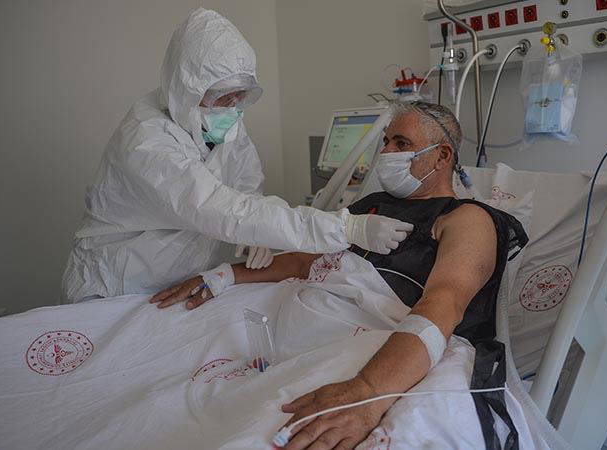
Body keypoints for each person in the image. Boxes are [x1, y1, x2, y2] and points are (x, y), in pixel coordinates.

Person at [151, 101, 528, 449]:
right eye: (386, 142)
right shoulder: (370, 206)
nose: (387, 153)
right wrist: (222, 276)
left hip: (369, 342)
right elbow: (303, 262)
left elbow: (444, 302)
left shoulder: (467, 218)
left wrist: (367, 391)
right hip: (296, 337)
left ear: (442, 155)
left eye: (402, 143)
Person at [61, 8, 412, 302]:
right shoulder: (146, 143)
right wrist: (345, 227)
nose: (233, 107)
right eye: (223, 96)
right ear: (187, 89)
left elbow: (244, 185)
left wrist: (255, 233)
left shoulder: (218, 118)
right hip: (119, 284)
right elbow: (218, 208)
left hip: (184, 282)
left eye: (240, 95)